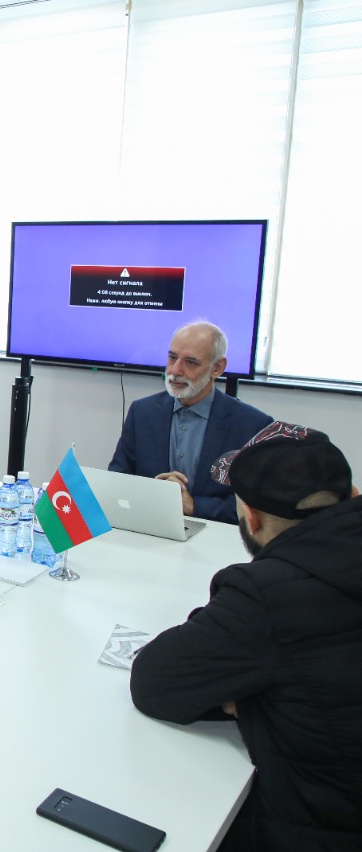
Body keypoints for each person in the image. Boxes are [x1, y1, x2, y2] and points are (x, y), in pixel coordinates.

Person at [130, 422, 362, 849]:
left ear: (251, 520)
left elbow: (155, 682)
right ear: (352, 495)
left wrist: (253, 699)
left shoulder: (267, 595)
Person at [109, 321, 271, 523]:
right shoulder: (142, 412)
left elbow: (258, 506)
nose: (175, 371)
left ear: (217, 368)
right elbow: (117, 481)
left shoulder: (252, 425)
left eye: (191, 362)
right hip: (149, 526)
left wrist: (193, 506)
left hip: (215, 535)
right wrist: (154, 493)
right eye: (172, 358)